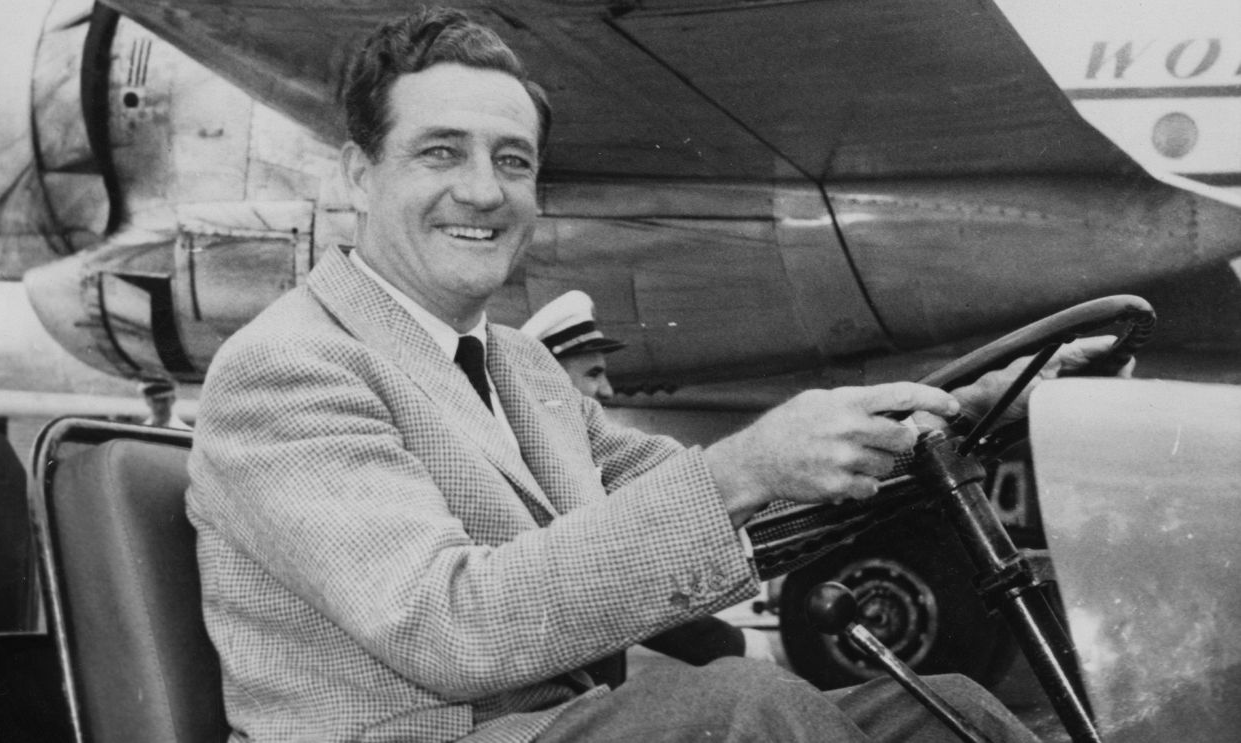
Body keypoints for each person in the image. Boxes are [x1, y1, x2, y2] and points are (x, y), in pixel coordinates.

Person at [188, 8, 1113, 741]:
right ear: (358, 172)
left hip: (574, 725)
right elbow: (449, 628)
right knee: (747, 711)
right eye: (441, 152)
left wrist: (933, 418)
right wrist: (745, 466)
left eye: (513, 161)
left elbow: (687, 501)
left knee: (940, 710)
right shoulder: (289, 368)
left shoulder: (516, 366)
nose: (483, 190)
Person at [520, 290, 776, 684]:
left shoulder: (569, 460)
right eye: (592, 373)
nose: (606, 390)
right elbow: (617, 589)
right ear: (548, 377)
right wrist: (732, 645)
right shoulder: (540, 476)